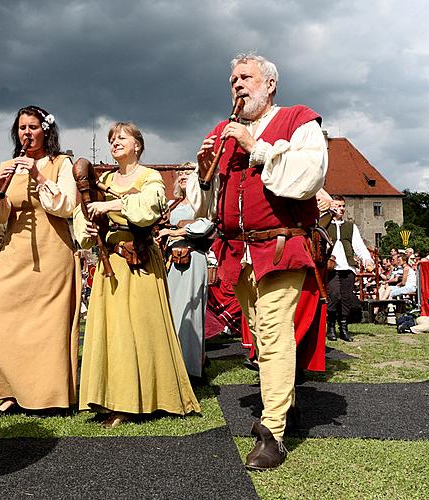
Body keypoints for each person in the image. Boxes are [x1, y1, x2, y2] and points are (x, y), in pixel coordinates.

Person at [187, 53, 327, 469]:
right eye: (233, 80)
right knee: (262, 340)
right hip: (238, 251)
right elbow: (206, 205)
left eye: (246, 78)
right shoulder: (221, 131)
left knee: (273, 330)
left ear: (269, 85)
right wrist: (202, 172)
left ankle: (273, 433)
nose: (237, 85)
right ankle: (288, 406)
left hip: (282, 245)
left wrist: (258, 148)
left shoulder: (298, 119)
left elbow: (310, 174)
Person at [74, 122, 200, 428]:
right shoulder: (102, 179)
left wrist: (111, 204)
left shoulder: (149, 177)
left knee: (141, 329)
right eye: (112, 139)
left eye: (122, 137)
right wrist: (89, 227)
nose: (116, 142)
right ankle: (109, 398)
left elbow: (150, 208)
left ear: (138, 145)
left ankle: (138, 401)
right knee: (112, 331)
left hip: (141, 263)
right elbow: (83, 212)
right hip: (112, 264)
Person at [0, 105, 80, 416]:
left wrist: (38, 175)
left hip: (52, 254)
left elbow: (66, 205)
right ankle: (8, 392)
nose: (27, 133)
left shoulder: (62, 164)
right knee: (1, 322)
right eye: (22, 128)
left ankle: (48, 396)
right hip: (14, 254)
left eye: (33, 127)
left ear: (45, 131)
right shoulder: (8, 165)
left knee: (47, 328)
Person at [158, 165, 213, 378]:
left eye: (188, 173)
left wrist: (176, 231)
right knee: (171, 311)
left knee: (191, 310)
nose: (183, 176)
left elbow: (206, 226)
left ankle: (191, 368)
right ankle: (171, 365)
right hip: (170, 262)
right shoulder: (172, 204)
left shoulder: (203, 204)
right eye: (180, 173)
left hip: (192, 259)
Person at [326, 195, 375, 341]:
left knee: (346, 298)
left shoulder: (350, 226)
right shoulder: (324, 225)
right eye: (337, 206)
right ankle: (330, 327)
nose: (340, 209)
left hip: (348, 266)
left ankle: (343, 327)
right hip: (331, 267)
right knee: (334, 295)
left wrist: (367, 260)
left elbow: (359, 246)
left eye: (342, 206)